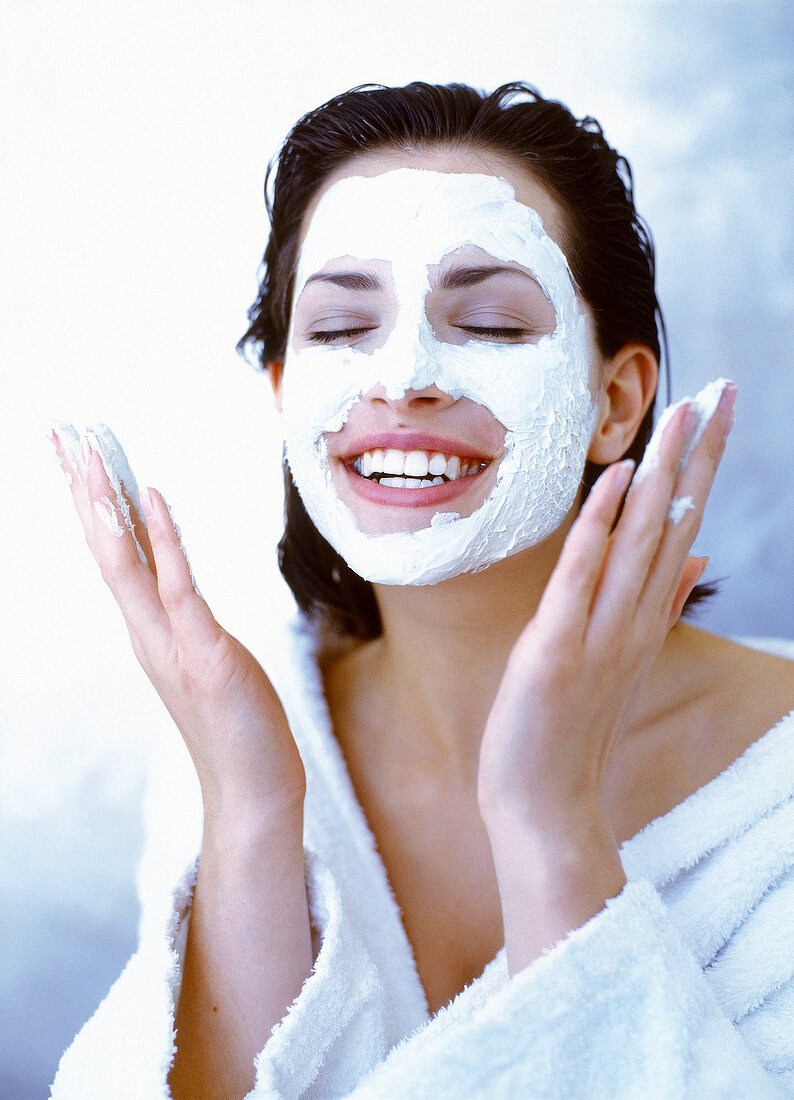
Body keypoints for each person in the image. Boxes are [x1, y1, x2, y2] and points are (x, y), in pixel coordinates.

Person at [50, 82, 794, 1099]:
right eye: (340, 327)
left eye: (487, 322)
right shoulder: (237, 741)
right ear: (283, 394)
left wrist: (547, 823)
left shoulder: (774, 791)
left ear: (612, 402)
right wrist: (254, 813)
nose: (400, 376)